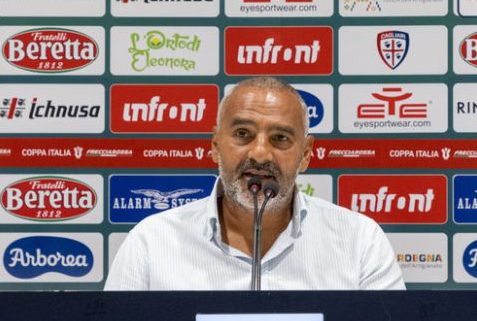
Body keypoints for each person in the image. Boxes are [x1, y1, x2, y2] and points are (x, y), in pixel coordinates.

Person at [105, 77, 405, 290]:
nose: (260, 153)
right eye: (243, 134)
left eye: (280, 139)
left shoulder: (359, 241)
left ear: (305, 155)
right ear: (214, 145)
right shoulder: (152, 242)